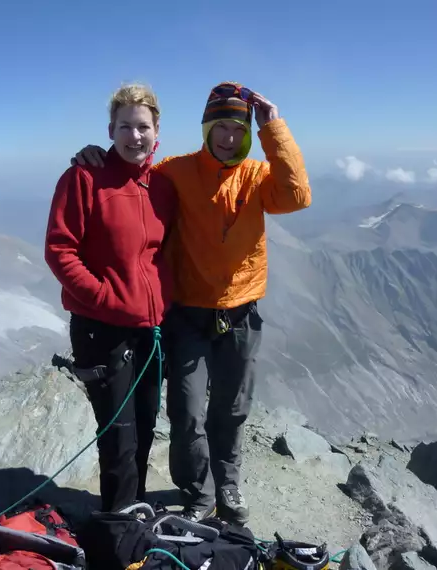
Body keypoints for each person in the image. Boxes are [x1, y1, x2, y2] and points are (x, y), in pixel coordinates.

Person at [70, 81, 312, 525]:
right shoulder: (175, 172)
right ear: (206, 130)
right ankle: (198, 491)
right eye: (220, 127)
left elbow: (297, 196)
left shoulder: (259, 177)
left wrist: (272, 127)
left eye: (237, 130)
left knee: (233, 408)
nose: (228, 137)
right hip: (188, 314)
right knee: (185, 410)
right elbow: (132, 172)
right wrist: (95, 155)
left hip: (241, 312)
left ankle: (229, 485)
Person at [44, 84, 178, 513]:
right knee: (118, 435)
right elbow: (60, 250)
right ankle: (120, 534)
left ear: (157, 131)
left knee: (143, 425)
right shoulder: (83, 178)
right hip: (102, 331)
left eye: (143, 127)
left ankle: (133, 513)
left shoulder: (162, 185)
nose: (134, 136)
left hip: (150, 329)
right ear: (111, 130)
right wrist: (104, 298)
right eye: (125, 127)